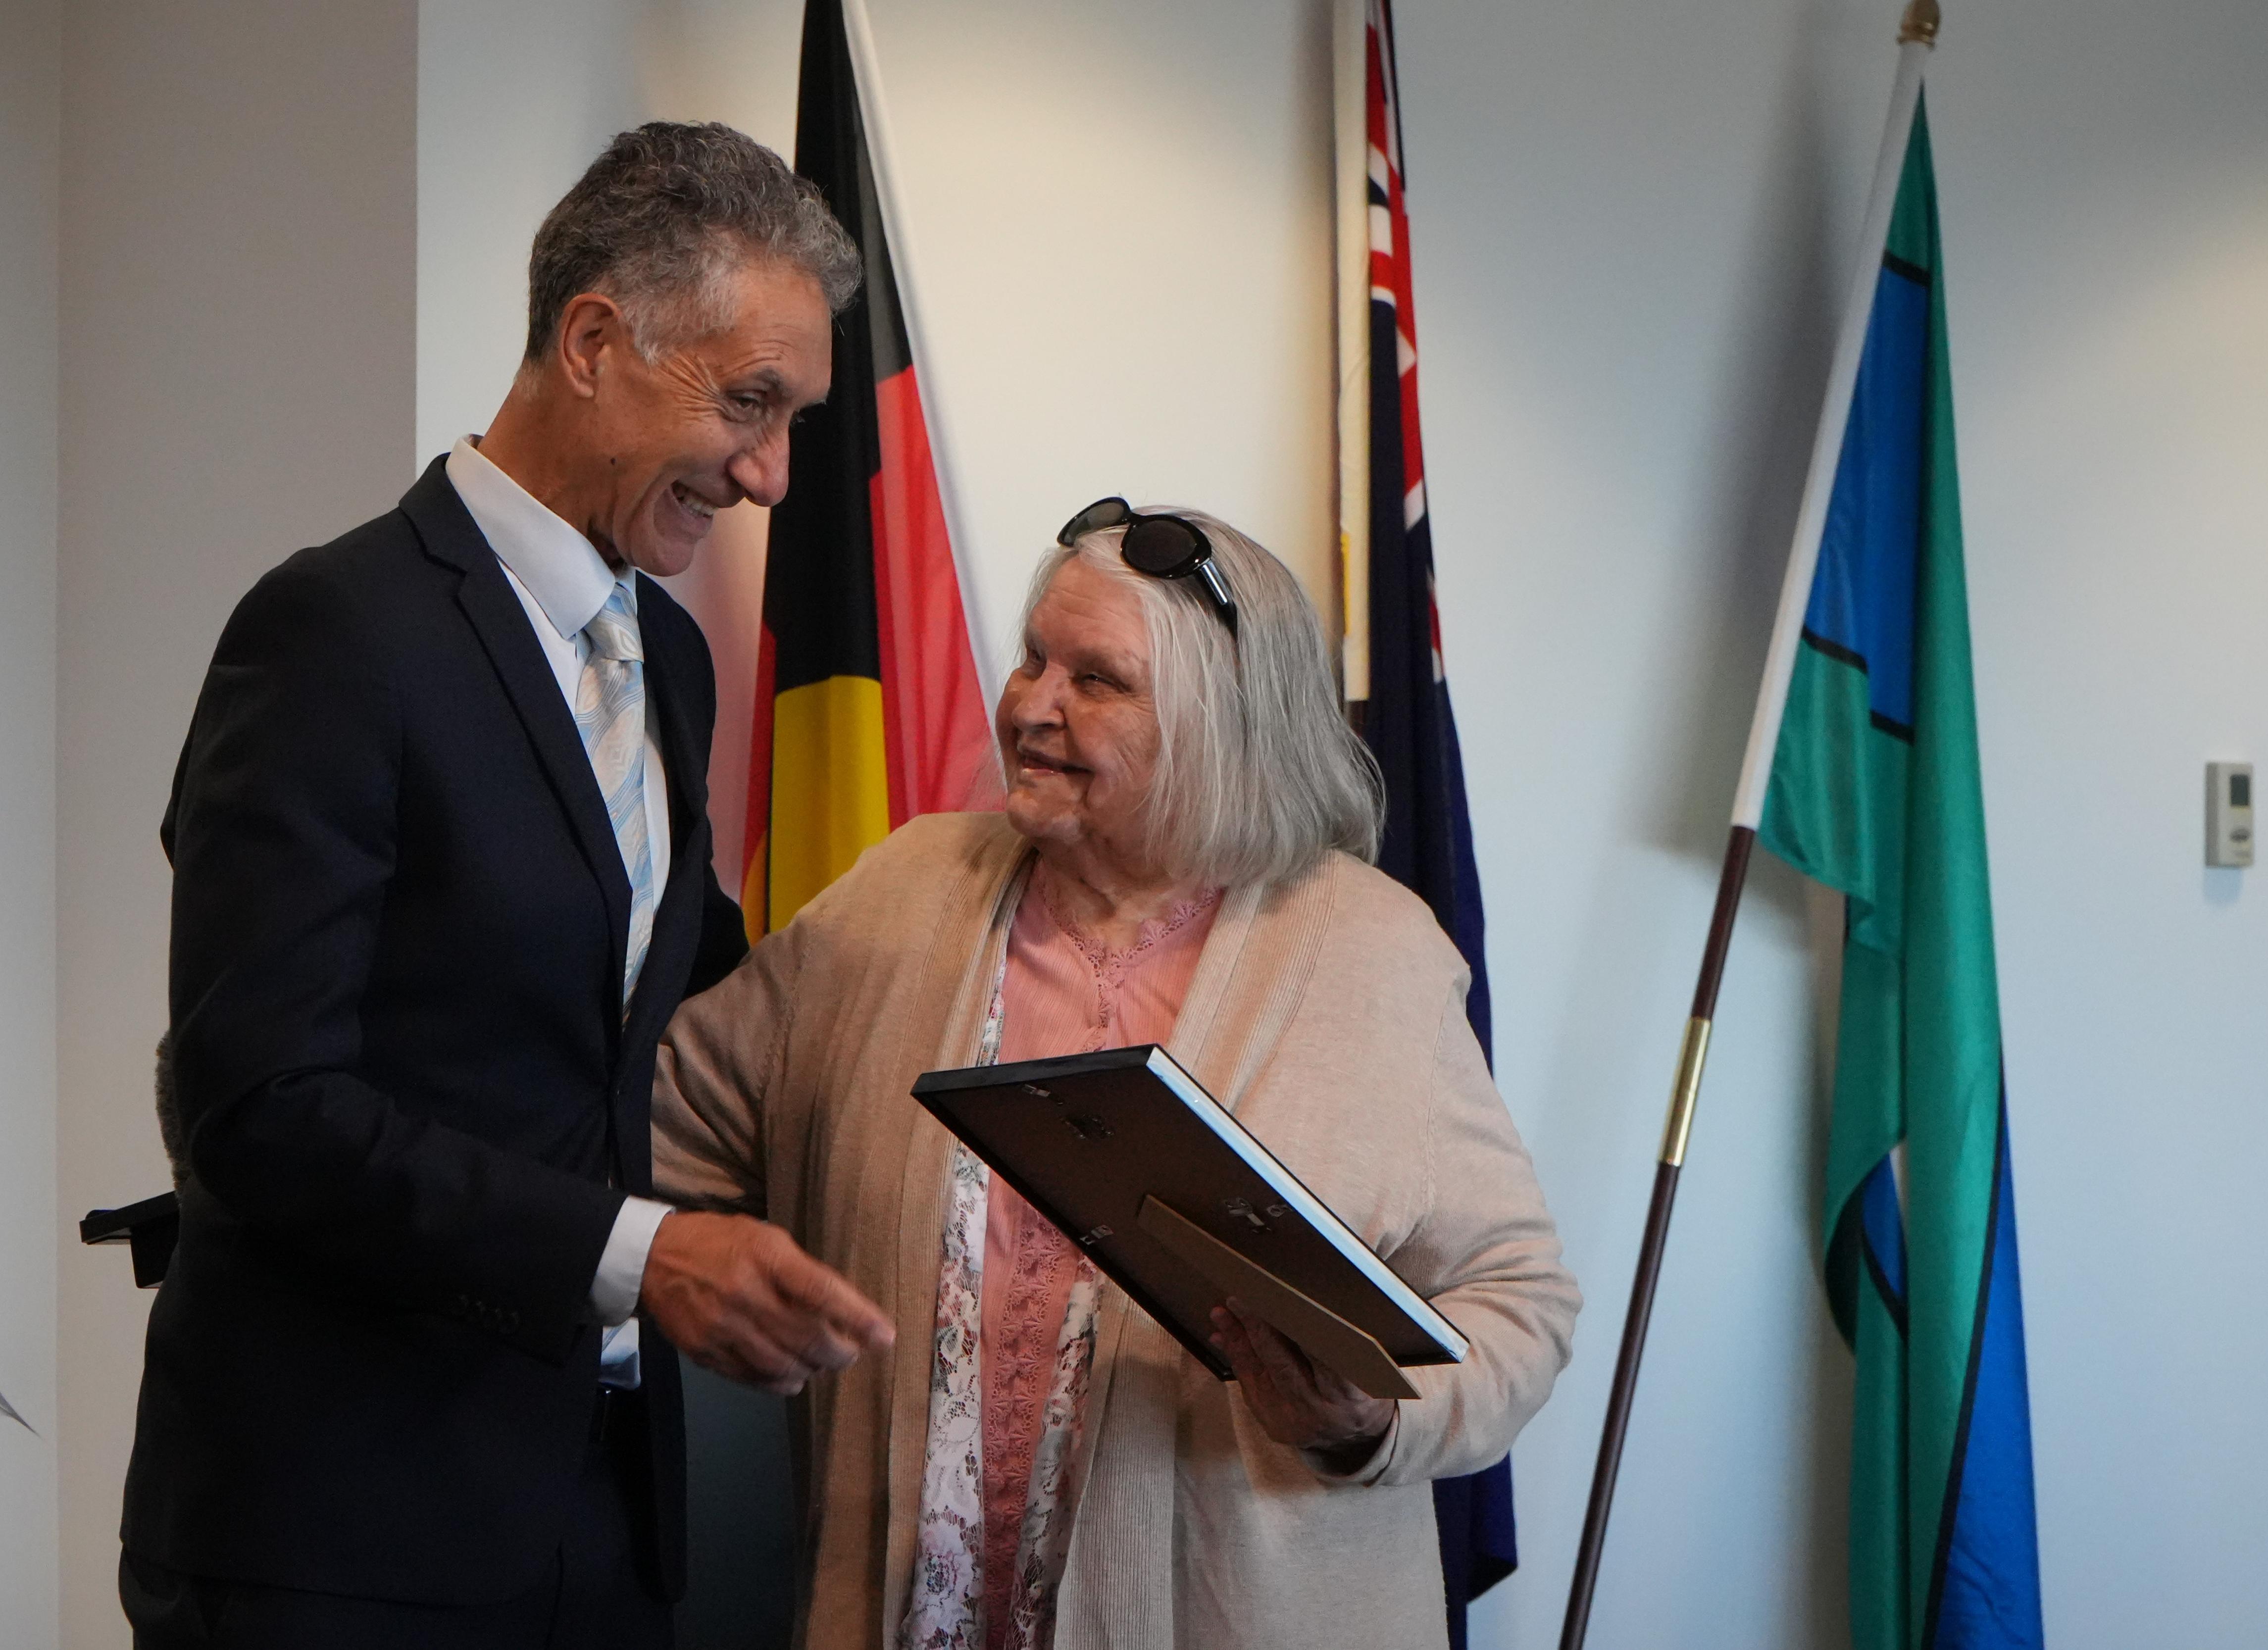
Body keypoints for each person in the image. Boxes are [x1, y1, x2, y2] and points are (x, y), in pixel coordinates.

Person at [123, 122, 895, 1650]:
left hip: (603, 1523)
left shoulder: (669, 657)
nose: (772, 474)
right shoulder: (336, 632)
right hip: (337, 1536)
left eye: (795, 418)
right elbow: (256, 1101)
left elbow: (672, 1003)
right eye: (751, 405)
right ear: (595, 340)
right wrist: (639, 1252)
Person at [656, 499, 1581, 1650]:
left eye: (1097, 680)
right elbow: (656, 1121)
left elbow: (1520, 1303)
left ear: (1220, 722)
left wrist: (1373, 1416)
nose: (1034, 705)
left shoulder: (1372, 952)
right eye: (1034, 657)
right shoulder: (900, 891)